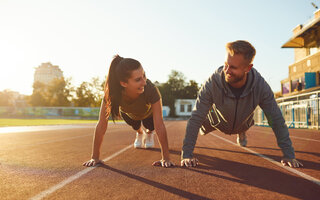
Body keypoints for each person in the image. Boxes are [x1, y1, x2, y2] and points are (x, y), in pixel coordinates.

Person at [181, 40, 303, 168]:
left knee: (243, 124)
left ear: (248, 68)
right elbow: (195, 118)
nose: (227, 70)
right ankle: (209, 126)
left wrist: (289, 155)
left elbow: (276, 119)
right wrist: (187, 155)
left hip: (243, 122)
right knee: (200, 125)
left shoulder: (260, 86)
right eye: (225, 64)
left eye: (233, 67)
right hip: (217, 121)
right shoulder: (212, 83)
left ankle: (241, 131)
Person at [83, 55, 174, 168]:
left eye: (144, 75)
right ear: (123, 83)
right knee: (136, 126)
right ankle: (140, 133)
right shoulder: (112, 94)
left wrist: (165, 158)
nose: (144, 82)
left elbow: (159, 124)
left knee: (150, 127)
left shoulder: (151, 90)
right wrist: (95, 157)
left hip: (148, 115)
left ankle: (149, 133)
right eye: (138, 79)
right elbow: (102, 124)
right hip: (129, 115)